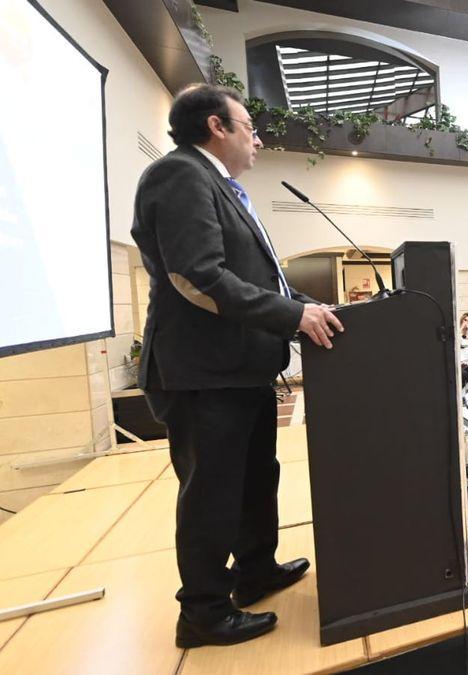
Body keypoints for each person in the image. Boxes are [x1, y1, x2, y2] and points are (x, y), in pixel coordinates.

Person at [132, 84, 344, 647]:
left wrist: (304, 307)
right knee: (212, 491)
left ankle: (255, 571)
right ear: (215, 126)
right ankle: (201, 612)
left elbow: (259, 282)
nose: (258, 136)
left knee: (254, 479)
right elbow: (197, 276)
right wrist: (293, 315)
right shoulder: (179, 175)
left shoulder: (220, 187)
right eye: (249, 124)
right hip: (204, 371)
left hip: (239, 369)